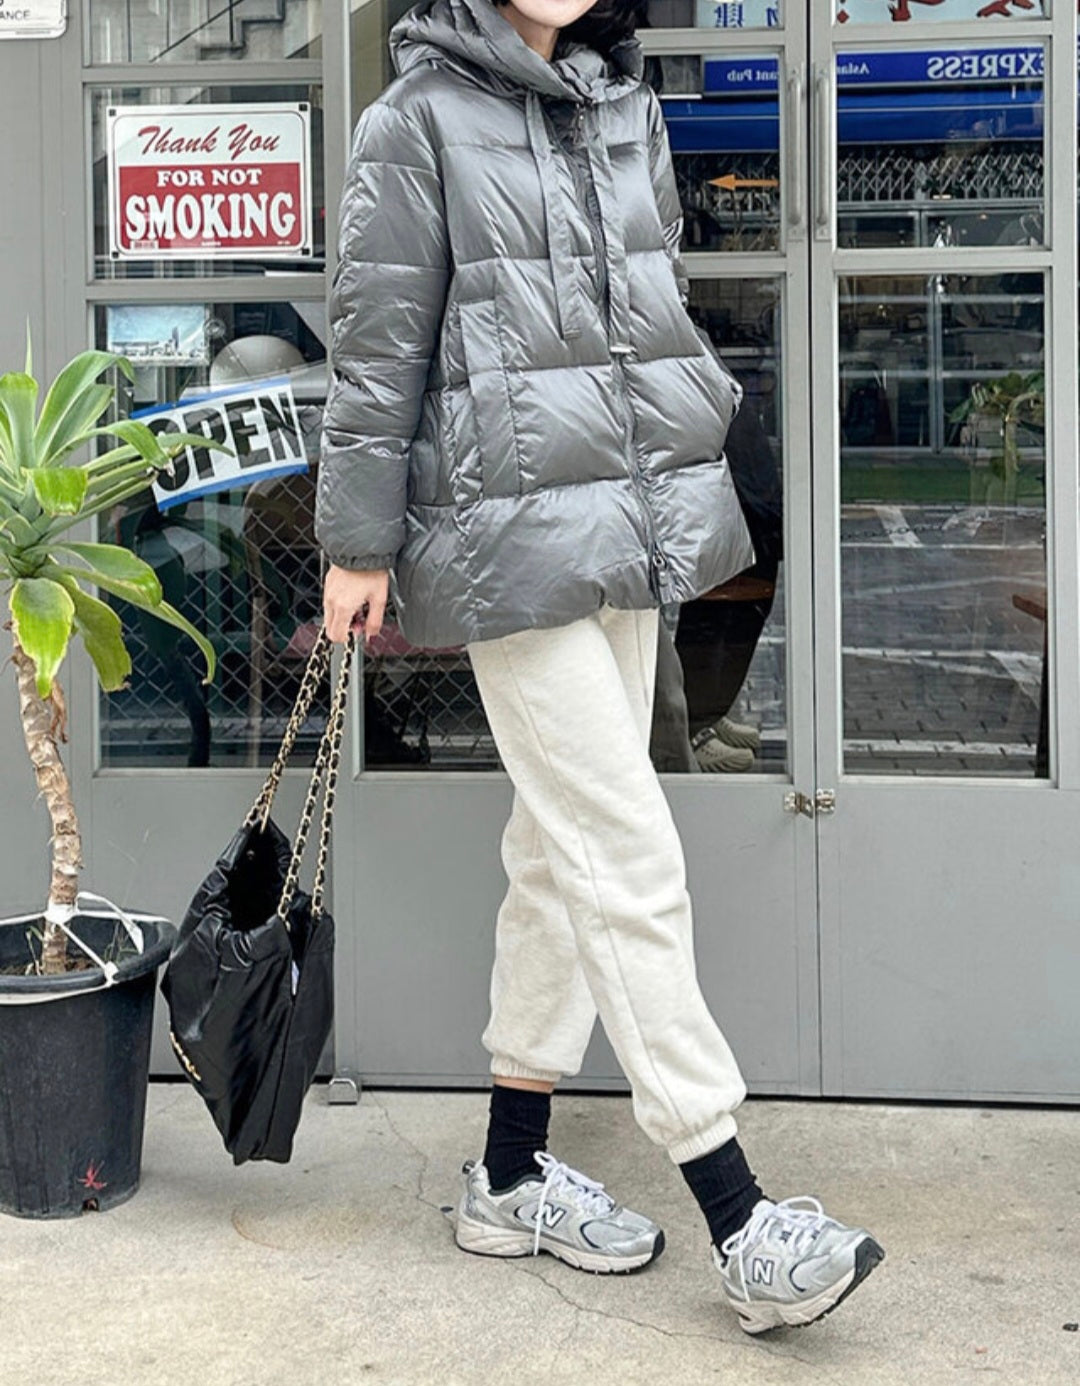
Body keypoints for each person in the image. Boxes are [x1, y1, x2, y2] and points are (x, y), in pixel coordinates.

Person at [317, 0, 884, 1336]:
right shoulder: (416, 121)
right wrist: (356, 540)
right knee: (624, 851)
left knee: (554, 851)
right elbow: (378, 343)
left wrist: (694, 421)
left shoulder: (622, 106)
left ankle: (509, 1175)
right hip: (504, 534)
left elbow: (652, 294)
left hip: (627, 521)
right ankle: (739, 1212)